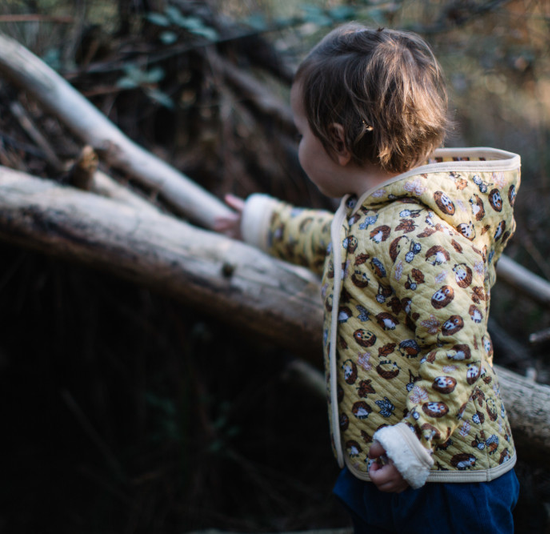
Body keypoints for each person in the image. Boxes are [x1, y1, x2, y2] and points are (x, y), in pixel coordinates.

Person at [214, 22, 521, 533]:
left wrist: (415, 442)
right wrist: (260, 223)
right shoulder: (372, 214)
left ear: (336, 142)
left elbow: (459, 348)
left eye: (301, 132)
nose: (299, 143)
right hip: (388, 470)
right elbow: (330, 240)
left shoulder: (425, 234)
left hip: (447, 481)